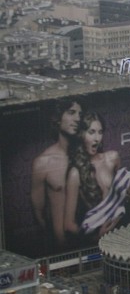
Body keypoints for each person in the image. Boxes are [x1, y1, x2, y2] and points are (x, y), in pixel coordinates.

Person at [63, 111, 130, 238]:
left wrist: (126, 192)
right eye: (91, 132)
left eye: (100, 132)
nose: (97, 138)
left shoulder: (112, 158)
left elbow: (120, 194)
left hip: (123, 232)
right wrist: (96, 236)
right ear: (81, 135)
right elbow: (68, 225)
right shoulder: (75, 173)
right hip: (99, 241)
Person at [30, 98, 83, 247]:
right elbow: (39, 216)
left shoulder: (88, 155)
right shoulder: (43, 163)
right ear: (57, 118)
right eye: (71, 113)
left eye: (80, 114)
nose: (78, 118)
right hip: (61, 249)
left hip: (94, 242)